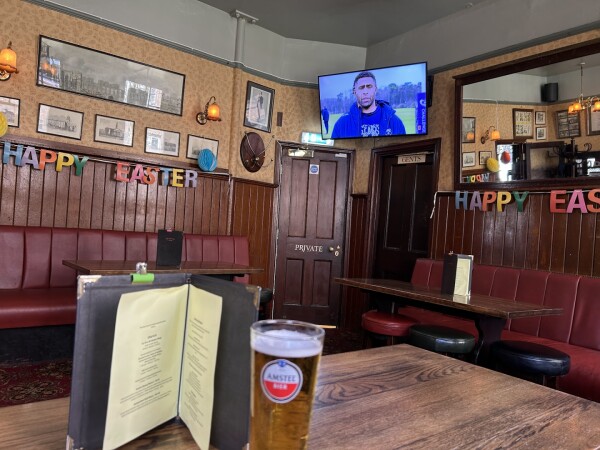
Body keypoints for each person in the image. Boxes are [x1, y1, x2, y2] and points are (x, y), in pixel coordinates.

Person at [331, 71, 405, 139]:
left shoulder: (394, 121)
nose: (365, 92)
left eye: (369, 87)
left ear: (375, 89)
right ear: (354, 92)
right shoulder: (341, 124)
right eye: (361, 88)